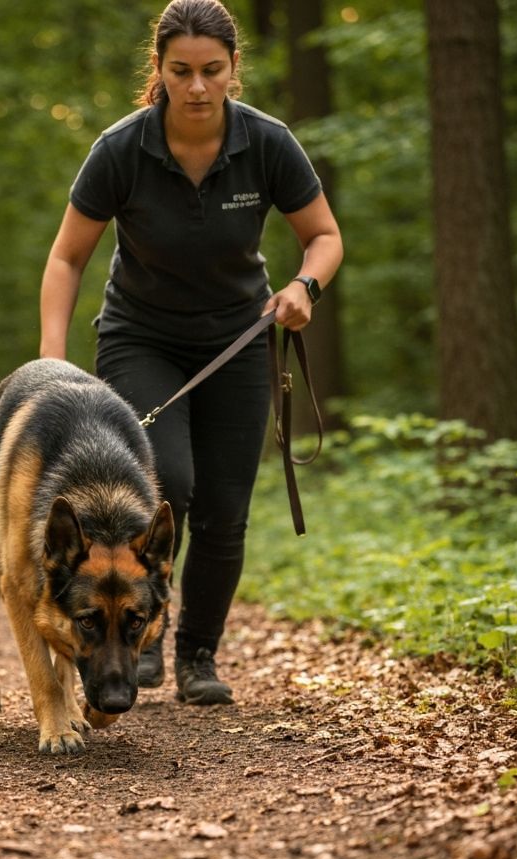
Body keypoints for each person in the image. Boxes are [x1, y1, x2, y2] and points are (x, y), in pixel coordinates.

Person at [39, 0, 343, 706]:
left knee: (225, 508)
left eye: (212, 70)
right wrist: (51, 361)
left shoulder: (267, 143)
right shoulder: (121, 148)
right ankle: (138, 639)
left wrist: (305, 286)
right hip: (140, 336)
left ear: (234, 69)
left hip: (238, 338)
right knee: (168, 479)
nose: (198, 86)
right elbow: (66, 258)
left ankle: (197, 657)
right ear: (160, 70)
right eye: (182, 71)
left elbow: (324, 236)